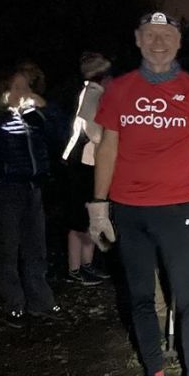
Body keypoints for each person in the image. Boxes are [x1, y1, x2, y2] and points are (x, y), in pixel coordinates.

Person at [87, 11, 189, 376]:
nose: (159, 42)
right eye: (151, 35)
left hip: (175, 210)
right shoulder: (118, 90)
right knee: (140, 298)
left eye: (167, 35)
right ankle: (155, 375)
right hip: (128, 211)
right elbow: (107, 149)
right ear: (138, 38)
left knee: (188, 301)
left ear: (178, 42)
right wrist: (98, 205)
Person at [0, 62, 64, 327]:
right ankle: (14, 304)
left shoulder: (35, 117)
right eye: (16, 86)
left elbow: (62, 134)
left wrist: (44, 107)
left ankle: (41, 302)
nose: (22, 91)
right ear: (2, 90)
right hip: (1, 190)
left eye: (26, 86)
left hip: (33, 188)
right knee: (7, 249)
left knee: (36, 249)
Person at [61, 52, 113, 286]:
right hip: (83, 162)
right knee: (79, 217)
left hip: (90, 162)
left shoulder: (96, 92)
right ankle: (75, 269)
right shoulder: (92, 92)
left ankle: (87, 265)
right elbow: (93, 131)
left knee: (90, 214)